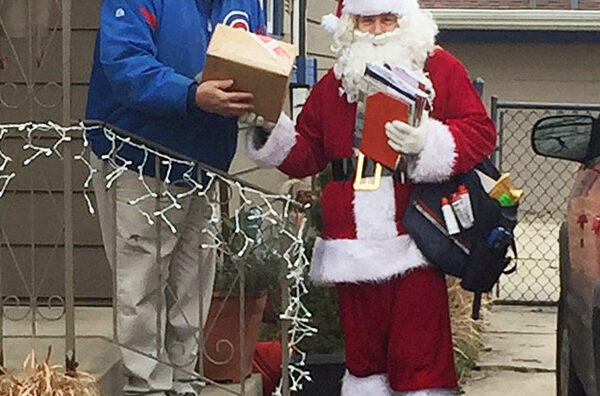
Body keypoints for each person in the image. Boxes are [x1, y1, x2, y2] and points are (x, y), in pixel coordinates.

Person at [243, 0, 497, 395]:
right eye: (367, 20)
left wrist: (428, 141)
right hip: (352, 245)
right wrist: (268, 127)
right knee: (363, 365)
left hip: (415, 237)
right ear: (350, 26)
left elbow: (480, 133)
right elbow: (306, 152)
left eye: (387, 19)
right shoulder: (338, 83)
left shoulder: (439, 69)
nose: (377, 30)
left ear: (405, 21)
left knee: (421, 363)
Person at [85, 1, 265, 395]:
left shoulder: (244, 3)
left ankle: (183, 379)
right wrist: (190, 94)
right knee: (141, 278)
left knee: (193, 279)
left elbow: (258, 58)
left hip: (204, 162)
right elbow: (124, 63)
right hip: (137, 155)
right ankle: (145, 385)